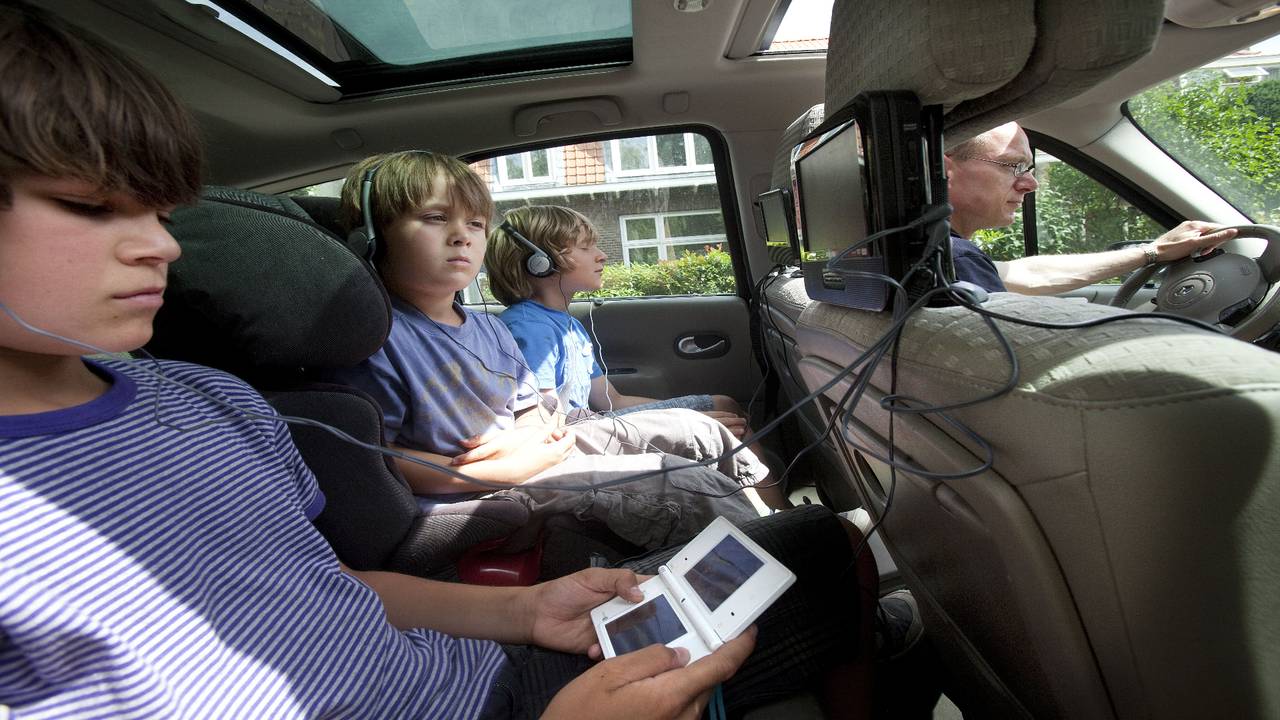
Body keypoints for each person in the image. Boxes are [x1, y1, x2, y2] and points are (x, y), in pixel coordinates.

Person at [0, 4, 885, 718]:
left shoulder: (207, 400)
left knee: (821, 544)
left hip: (462, 670)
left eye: (160, 210)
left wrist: (518, 612)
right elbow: (440, 469)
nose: (161, 246)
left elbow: (325, 585)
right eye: (88, 206)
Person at [324, 151, 786, 529]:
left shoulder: (489, 329)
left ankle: (779, 525)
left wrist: (527, 441)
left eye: (476, 224)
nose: (461, 237)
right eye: (435, 217)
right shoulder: (374, 340)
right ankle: (780, 550)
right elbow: (371, 457)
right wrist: (492, 470)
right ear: (369, 237)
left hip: (537, 453)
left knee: (703, 428)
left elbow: (531, 409)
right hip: (479, 490)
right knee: (685, 485)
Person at [485, 205, 746, 431]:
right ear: (539, 262)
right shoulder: (530, 329)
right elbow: (545, 420)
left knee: (726, 406)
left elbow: (611, 400)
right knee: (724, 424)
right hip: (576, 433)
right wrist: (685, 423)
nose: (601, 255)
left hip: (594, 421)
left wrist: (679, 413)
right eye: (586, 247)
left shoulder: (568, 325)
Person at [945, 121, 1237, 294]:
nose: (1031, 184)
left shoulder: (936, 260)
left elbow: (1030, 274)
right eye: (1015, 165)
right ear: (946, 171)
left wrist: (1154, 252)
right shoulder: (959, 259)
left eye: (1030, 168)